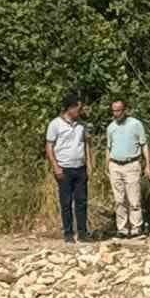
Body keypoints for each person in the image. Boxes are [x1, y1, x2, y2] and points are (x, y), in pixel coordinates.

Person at [45, 94, 90, 245]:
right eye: (78, 108)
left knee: (82, 201)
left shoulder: (81, 125)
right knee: (66, 202)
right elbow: (49, 146)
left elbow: (85, 144)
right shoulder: (55, 124)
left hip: (80, 168)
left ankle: (83, 233)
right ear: (70, 108)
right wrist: (56, 166)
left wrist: (89, 164)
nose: (80, 111)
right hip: (64, 168)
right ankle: (68, 233)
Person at [106, 100, 150, 238]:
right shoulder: (111, 127)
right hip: (115, 165)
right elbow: (108, 147)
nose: (116, 113)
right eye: (114, 110)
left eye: (119, 110)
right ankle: (122, 229)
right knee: (119, 199)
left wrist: (148, 165)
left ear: (125, 110)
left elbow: (144, 145)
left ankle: (136, 227)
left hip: (131, 164)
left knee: (134, 199)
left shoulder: (136, 124)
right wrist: (107, 164)